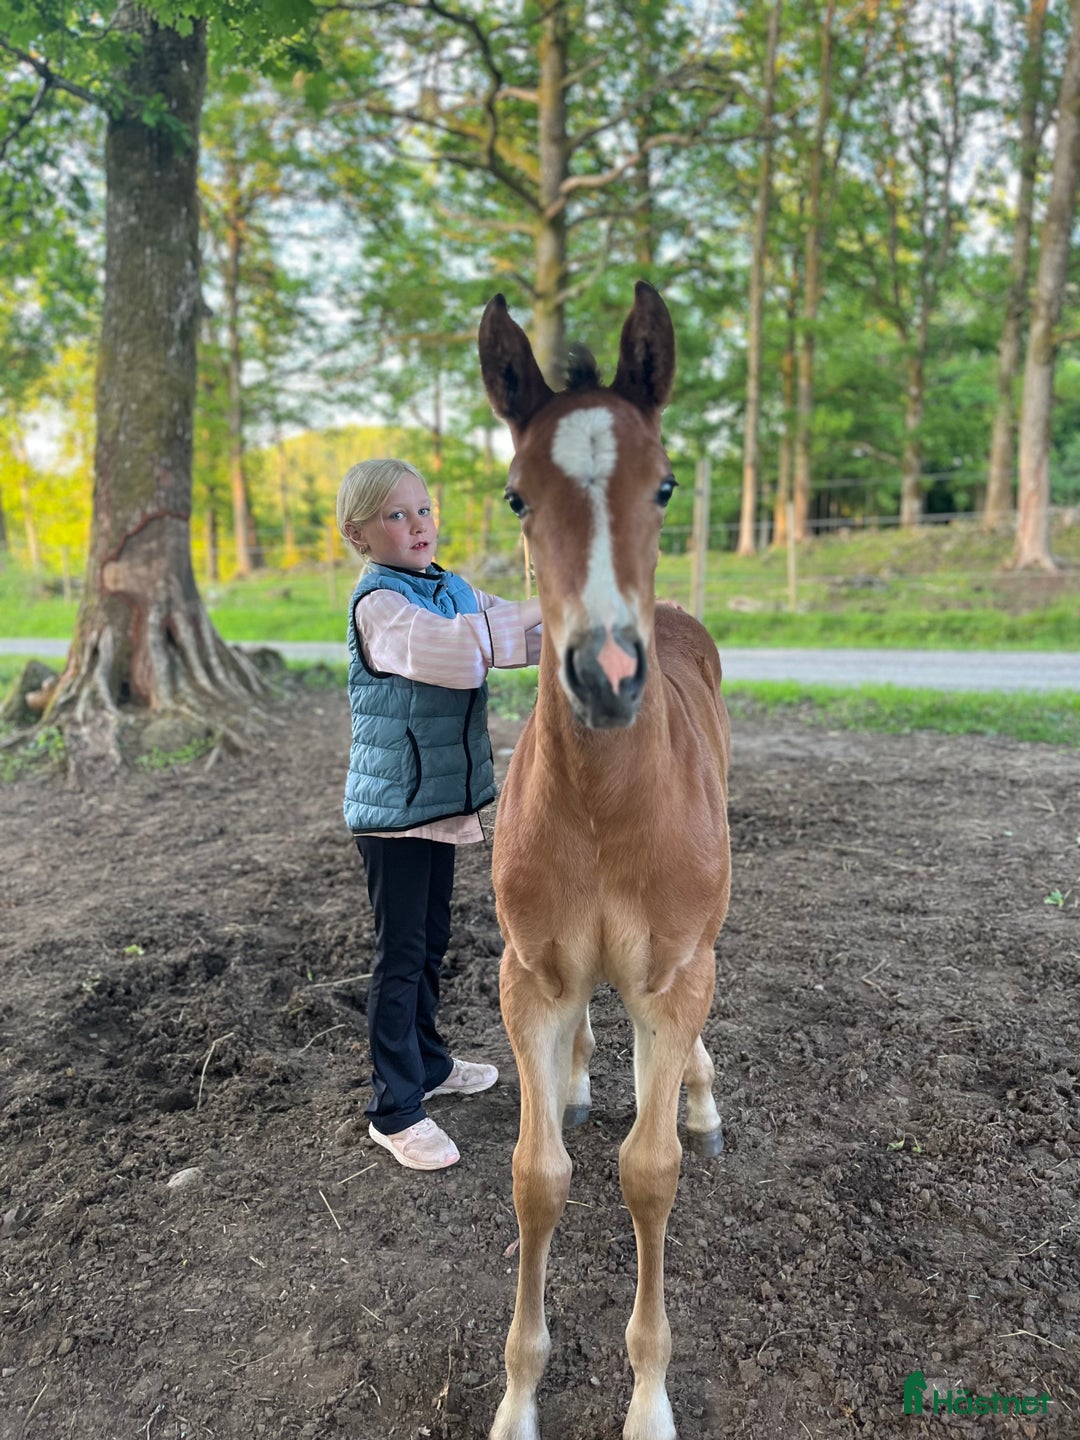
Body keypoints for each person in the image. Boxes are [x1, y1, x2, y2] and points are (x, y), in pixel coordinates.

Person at [336, 458, 542, 1171]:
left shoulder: (448, 585)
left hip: (435, 803)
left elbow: (511, 622)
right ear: (359, 535)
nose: (417, 525)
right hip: (392, 812)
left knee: (429, 943)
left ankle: (427, 1062)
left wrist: (585, 606)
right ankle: (393, 1109)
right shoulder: (380, 606)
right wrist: (530, 630)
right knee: (399, 953)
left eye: (423, 510)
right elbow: (457, 653)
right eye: (396, 516)